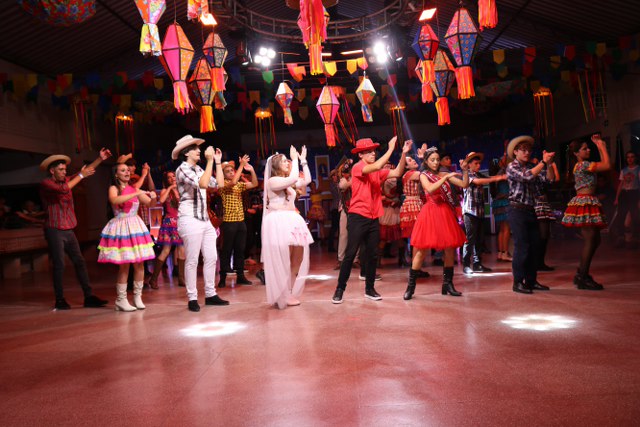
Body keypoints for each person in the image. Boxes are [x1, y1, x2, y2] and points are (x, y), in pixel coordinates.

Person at [331, 137, 413, 304]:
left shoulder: (377, 170)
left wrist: (403, 154)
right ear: (361, 155)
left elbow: (397, 172)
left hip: (374, 216)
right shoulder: (357, 167)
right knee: (350, 254)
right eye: (368, 152)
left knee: (372, 254)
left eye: (374, 151)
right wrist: (390, 149)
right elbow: (375, 166)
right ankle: (340, 289)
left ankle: (369, 289)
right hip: (358, 216)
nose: (373, 153)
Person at [39, 150, 111, 310]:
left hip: (69, 229)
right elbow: (64, 189)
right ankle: (59, 299)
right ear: (52, 171)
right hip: (54, 229)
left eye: (65, 169)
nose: (64, 172)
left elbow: (85, 172)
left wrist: (100, 159)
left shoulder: (66, 180)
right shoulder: (46, 183)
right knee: (59, 264)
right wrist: (80, 176)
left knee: (80, 261)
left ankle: (88, 297)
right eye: (61, 169)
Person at [404, 147, 469, 300]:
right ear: (426, 161)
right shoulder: (423, 175)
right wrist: (445, 178)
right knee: (421, 251)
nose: (435, 162)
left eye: (437, 160)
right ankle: (410, 287)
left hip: (444, 212)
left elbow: (464, 184)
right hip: (430, 212)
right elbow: (430, 189)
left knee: (449, 249)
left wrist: (465, 170)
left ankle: (448, 284)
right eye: (432, 160)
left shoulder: (444, 174)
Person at [173, 135, 229, 312]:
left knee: (211, 257)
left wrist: (217, 162)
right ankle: (192, 298)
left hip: (204, 219)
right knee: (192, 259)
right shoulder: (182, 169)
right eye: (195, 148)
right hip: (189, 218)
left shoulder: (198, 168)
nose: (199, 150)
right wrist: (210, 161)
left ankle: (211, 294)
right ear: (186, 153)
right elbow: (203, 184)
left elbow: (219, 184)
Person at [98, 163, 156, 311]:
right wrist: (135, 193)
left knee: (139, 264)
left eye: (128, 170)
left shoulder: (134, 189)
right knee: (124, 265)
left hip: (135, 227)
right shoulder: (114, 188)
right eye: (123, 170)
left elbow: (150, 204)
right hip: (122, 227)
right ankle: (121, 299)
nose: (127, 172)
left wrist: (153, 197)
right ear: (116, 174)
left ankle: (138, 297)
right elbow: (114, 200)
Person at [262, 146, 313, 308]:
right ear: (276, 166)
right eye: (284, 161)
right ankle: (282, 293)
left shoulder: (287, 182)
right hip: (279, 221)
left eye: (288, 161)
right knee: (284, 259)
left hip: (292, 220)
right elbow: (292, 178)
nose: (287, 163)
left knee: (298, 258)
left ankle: (288, 291)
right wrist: (295, 159)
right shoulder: (273, 181)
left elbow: (307, 180)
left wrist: (303, 161)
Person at [505, 136, 555, 294]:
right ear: (515, 152)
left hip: (531, 210)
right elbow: (526, 176)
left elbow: (549, 180)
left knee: (534, 246)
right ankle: (518, 282)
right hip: (516, 210)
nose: (527, 153)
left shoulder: (533, 167)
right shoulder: (512, 166)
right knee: (522, 246)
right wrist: (543, 163)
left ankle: (531, 281)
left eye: (529, 150)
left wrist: (549, 164)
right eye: (523, 150)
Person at [561, 134, 610, 290]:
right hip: (585, 201)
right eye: (584, 149)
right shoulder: (583, 165)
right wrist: (601, 145)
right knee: (590, 239)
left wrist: (599, 146)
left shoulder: (582, 165)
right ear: (576, 153)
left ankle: (581, 273)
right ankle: (582, 277)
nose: (588, 150)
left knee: (595, 240)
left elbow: (604, 164)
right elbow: (607, 165)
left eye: (588, 148)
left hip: (588, 200)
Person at [461, 152, 506, 275]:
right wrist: (498, 178)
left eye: (479, 163)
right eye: (476, 163)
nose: (478, 165)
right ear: (469, 164)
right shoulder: (467, 175)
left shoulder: (479, 174)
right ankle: (466, 265)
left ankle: (477, 264)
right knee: (470, 239)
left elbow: (485, 179)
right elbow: (478, 181)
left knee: (480, 239)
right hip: (470, 212)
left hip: (479, 212)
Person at [218, 155, 258, 288]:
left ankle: (240, 276)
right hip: (229, 222)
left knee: (240, 250)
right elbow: (233, 182)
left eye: (232, 171)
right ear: (223, 175)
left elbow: (254, 184)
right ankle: (223, 277)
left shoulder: (239, 185)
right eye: (228, 171)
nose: (231, 173)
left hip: (240, 221)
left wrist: (251, 170)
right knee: (227, 250)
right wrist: (241, 165)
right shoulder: (223, 184)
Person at [148, 171, 185, 289]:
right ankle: (153, 279)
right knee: (166, 250)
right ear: (166, 180)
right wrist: (170, 188)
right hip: (169, 223)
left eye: (173, 176)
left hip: (181, 222)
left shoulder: (181, 190)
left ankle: (181, 279)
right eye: (169, 177)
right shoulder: (165, 190)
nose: (172, 178)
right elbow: (162, 200)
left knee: (182, 250)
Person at [534, 159, 559, 271]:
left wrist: (549, 164)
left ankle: (540, 262)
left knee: (544, 235)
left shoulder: (541, 173)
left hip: (542, 204)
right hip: (532, 205)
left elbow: (552, 179)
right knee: (537, 235)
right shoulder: (527, 171)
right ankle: (535, 262)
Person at [611, 151, 639, 248]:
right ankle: (621, 238)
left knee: (633, 216)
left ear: (635, 158)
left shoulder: (638, 169)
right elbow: (621, 185)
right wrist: (617, 198)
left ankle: (634, 239)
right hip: (624, 194)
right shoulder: (624, 170)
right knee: (621, 215)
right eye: (628, 157)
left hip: (634, 193)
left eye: (632, 157)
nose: (630, 159)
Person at [490, 155, 512, 262]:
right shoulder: (504, 172)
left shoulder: (495, 174)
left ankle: (500, 253)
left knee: (502, 229)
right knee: (506, 228)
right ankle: (505, 253)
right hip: (505, 201)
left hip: (497, 202)